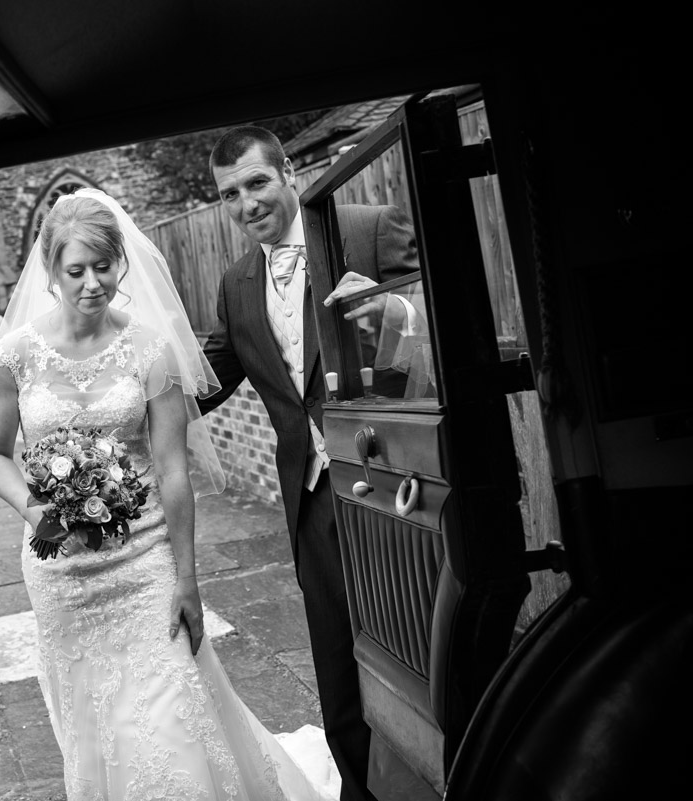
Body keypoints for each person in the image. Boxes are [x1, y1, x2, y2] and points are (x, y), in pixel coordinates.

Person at [0, 188, 339, 801]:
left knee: (172, 723)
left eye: (104, 267)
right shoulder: (12, 358)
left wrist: (188, 580)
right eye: (76, 270)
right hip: (61, 572)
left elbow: (173, 472)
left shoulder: (149, 350)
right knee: (98, 728)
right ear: (49, 271)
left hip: (146, 564)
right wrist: (31, 506)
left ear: (121, 263)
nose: (93, 283)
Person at [201, 125, 420, 801]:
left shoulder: (368, 229)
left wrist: (388, 322)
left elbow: (434, 321)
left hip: (395, 483)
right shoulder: (237, 283)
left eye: (258, 182)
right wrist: (125, 395)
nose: (246, 204)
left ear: (289, 172)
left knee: (415, 650)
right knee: (337, 661)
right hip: (315, 498)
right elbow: (211, 374)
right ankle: (361, 789)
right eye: (231, 194)